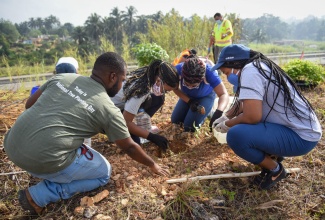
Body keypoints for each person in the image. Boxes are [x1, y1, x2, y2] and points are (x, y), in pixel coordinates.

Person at [3, 52, 169, 215]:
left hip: (11, 145)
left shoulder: (62, 78)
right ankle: (38, 196)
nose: (122, 85)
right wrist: (152, 164)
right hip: (40, 160)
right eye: (122, 80)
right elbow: (130, 147)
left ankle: (44, 168)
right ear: (113, 77)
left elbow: (29, 105)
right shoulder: (108, 109)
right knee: (104, 172)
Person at [211, 44, 322, 190]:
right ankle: (274, 155)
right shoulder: (257, 67)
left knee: (236, 135)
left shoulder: (250, 72)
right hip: (298, 130)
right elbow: (246, 104)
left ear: (234, 65)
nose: (227, 76)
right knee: (244, 129)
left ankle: (276, 170)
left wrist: (228, 124)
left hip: (301, 137)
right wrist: (225, 116)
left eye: (226, 72)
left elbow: (252, 116)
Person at [111, 59, 179, 151]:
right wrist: (152, 137)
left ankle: (139, 127)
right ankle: (113, 132)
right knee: (135, 144)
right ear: (159, 80)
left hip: (123, 105)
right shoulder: (141, 91)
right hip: (110, 112)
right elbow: (126, 122)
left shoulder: (149, 74)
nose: (164, 92)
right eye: (165, 90)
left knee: (158, 98)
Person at [171, 55, 229, 132]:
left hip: (206, 95)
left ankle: (207, 113)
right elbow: (174, 88)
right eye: (187, 84)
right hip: (187, 95)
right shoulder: (178, 69)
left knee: (189, 127)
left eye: (194, 85)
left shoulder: (209, 72)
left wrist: (218, 112)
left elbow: (223, 94)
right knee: (175, 120)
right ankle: (197, 110)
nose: (190, 87)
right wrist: (189, 101)